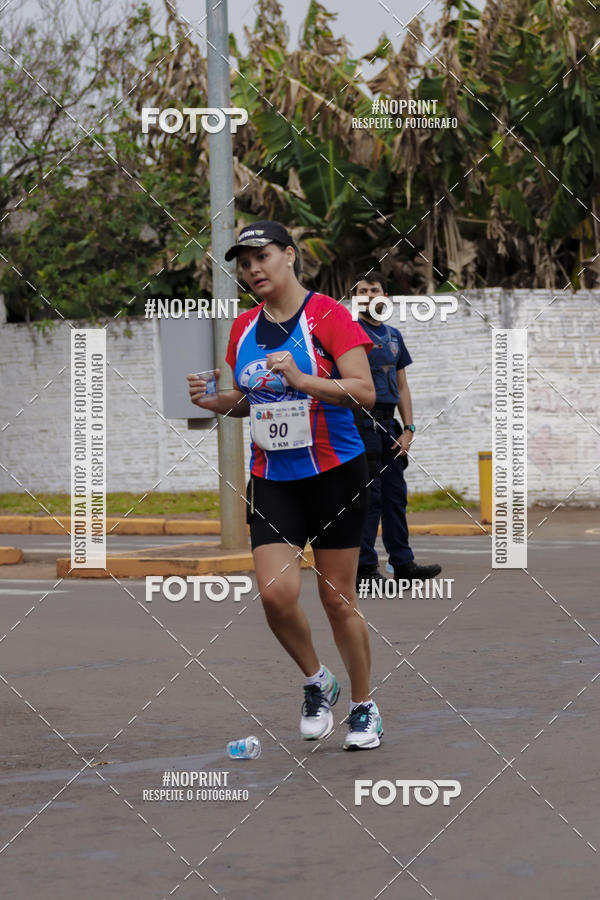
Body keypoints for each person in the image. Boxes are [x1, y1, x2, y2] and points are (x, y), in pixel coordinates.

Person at [188, 221, 383, 750]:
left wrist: (302, 379)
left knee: (337, 599)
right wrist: (215, 402)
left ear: (290, 256)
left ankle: (364, 706)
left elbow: (364, 391)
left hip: (336, 473)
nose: (254, 269)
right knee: (276, 595)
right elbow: (248, 399)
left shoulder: (330, 315)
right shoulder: (243, 328)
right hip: (272, 478)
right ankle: (317, 681)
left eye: (264, 257)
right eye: (245, 263)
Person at [353, 271, 442, 588]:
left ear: (385, 297)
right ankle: (364, 569)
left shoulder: (393, 336)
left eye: (374, 290)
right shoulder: (351, 332)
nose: (368, 295)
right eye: (362, 291)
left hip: (390, 425)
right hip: (361, 423)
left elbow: (402, 386)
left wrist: (409, 429)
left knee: (395, 496)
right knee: (370, 497)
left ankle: (403, 563)